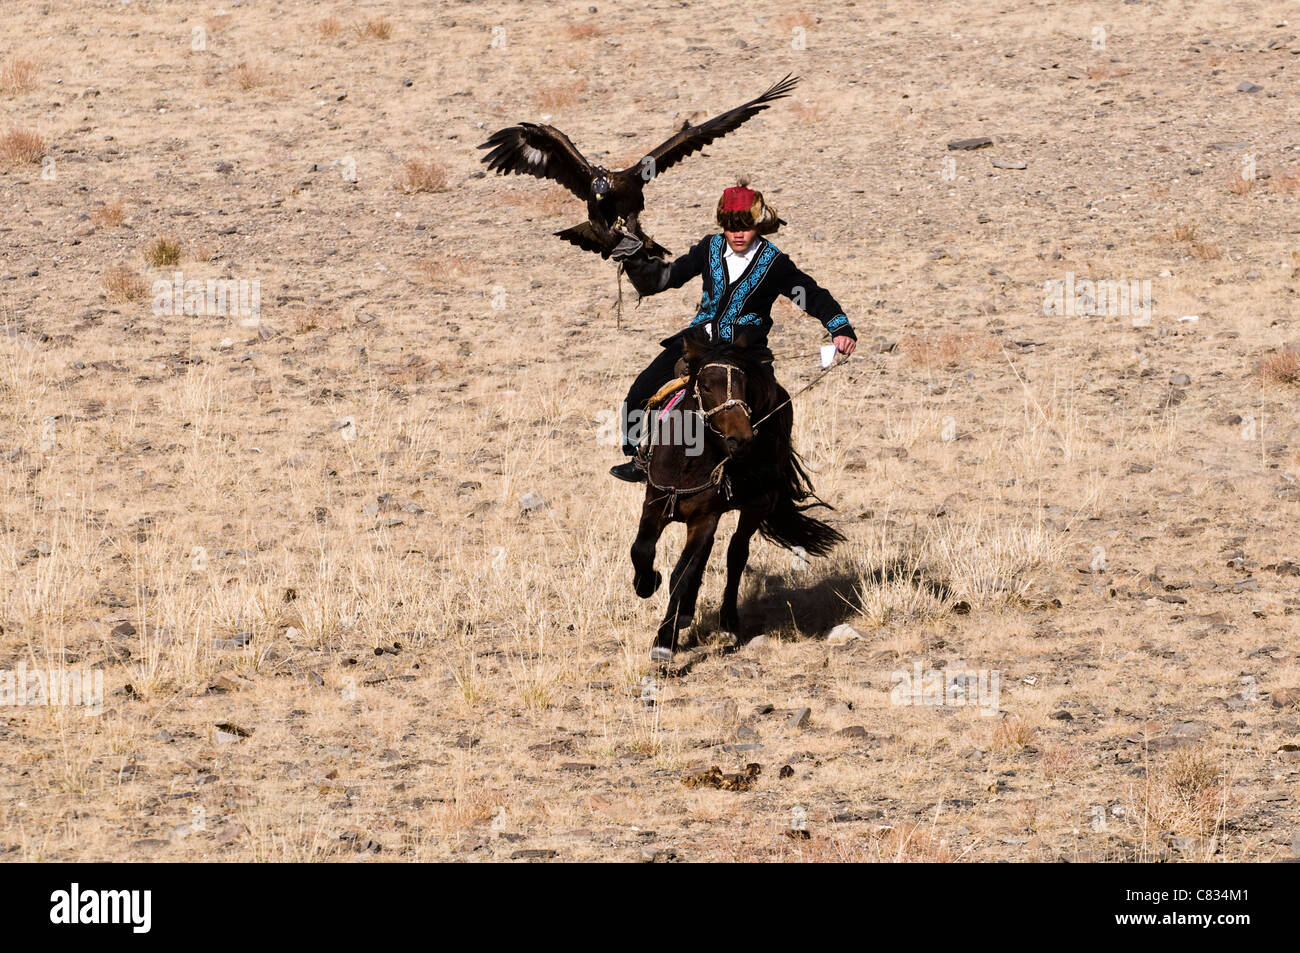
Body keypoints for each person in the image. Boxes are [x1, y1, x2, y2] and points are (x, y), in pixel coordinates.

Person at [609, 180, 857, 482]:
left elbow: (810, 294)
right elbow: (667, 277)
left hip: (743, 350)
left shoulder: (774, 263)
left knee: (761, 411)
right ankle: (638, 459)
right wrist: (634, 260)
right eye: (730, 226)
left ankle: (765, 479)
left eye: (745, 226)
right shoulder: (709, 248)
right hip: (698, 343)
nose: (738, 234)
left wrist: (839, 327)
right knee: (638, 392)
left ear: (759, 224)